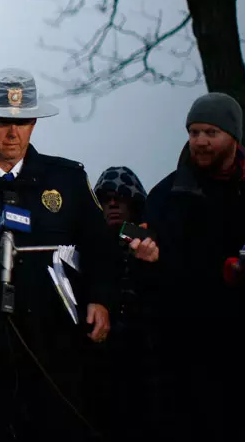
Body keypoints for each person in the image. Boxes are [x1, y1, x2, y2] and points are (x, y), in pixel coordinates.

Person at [0, 68, 119, 442]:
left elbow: (101, 248)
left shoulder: (68, 180)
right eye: (2, 122)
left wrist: (101, 299)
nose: (13, 133)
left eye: (24, 122)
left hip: (57, 352)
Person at [145, 92, 245, 442]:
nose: (200, 141)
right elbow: (143, 251)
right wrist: (144, 254)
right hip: (187, 351)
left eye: (210, 133)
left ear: (233, 136)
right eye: (193, 132)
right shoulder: (165, 195)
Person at [93, 166, 159, 442]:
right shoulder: (88, 240)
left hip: (145, 351)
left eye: (120, 197)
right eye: (106, 198)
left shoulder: (144, 237)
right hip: (99, 355)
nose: (113, 203)